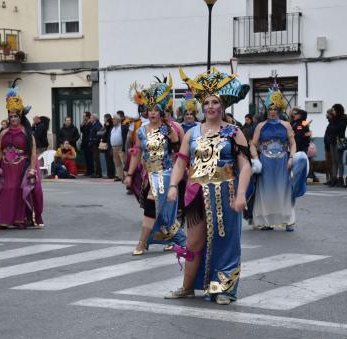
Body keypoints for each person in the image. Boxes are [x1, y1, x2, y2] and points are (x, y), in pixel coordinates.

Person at [164, 67, 251, 304]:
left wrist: (242, 193)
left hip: (226, 192)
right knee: (193, 242)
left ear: (223, 107)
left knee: (225, 241)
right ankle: (188, 287)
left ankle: (224, 289)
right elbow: (181, 163)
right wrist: (173, 186)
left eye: (216, 102)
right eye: (207, 102)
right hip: (196, 193)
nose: (211, 106)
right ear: (202, 106)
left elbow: (245, 166)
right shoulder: (191, 133)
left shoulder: (234, 132)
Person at [124, 75, 186, 256]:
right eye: (149, 109)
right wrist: (129, 174)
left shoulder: (168, 129)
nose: (152, 113)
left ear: (161, 111)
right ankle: (170, 238)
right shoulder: (141, 130)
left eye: (156, 109)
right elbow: (137, 152)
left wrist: (171, 132)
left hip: (166, 174)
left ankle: (143, 242)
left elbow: (177, 150)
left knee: (156, 206)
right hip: (148, 175)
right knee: (158, 210)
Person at [0, 79, 44, 229]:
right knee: (4, 190)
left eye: (15, 116)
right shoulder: (3, 133)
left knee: (18, 190)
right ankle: (2, 220)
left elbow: (33, 153)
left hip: (21, 168)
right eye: (10, 117)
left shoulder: (28, 134)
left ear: (21, 117)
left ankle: (21, 219)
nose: (13, 119)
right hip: (6, 168)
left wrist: (31, 169)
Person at [250, 80, 308, 231]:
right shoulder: (260, 126)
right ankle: (267, 221)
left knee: (284, 190)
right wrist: (256, 160)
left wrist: (291, 158)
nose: (272, 111)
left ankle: (288, 220)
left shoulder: (287, 125)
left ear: (280, 109)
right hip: (265, 163)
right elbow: (252, 144)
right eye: (270, 108)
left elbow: (293, 143)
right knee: (266, 191)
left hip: (283, 162)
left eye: (275, 108)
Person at [324, 104, 347, 187]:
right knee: (334, 161)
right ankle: (334, 178)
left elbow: (336, 129)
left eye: (334, 110)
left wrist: (332, 126)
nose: (333, 112)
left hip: (339, 141)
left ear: (338, 110)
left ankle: (340, 178)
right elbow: (329, 129)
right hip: (332, 141)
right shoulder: (333, 119)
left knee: (339, 161)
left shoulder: (343, 119)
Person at [290, 107, 318, 182]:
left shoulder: (301, 123)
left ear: (300, 115)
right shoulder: (297, 122)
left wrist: (293, 139)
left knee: (300, 161)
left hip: (299, 146)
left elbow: (299, 136)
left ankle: (301, 177)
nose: (294, 115)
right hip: (298, 145)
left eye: (296, 114)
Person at [109, 114, 125, 181]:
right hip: (114, 147)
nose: (113, 120)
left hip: (120, 147)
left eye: (114, 119)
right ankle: (119, 176)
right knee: (117, 163)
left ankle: (124, 176)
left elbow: (124, 137)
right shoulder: (112, 128)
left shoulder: (122, 127)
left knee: (123, 162)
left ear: (118, 120)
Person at [80, 112, 93, 176]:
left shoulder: (90, 123)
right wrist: (82, 125)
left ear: (87, 117)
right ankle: (88, 171)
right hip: (84, 143)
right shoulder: (85, 123)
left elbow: (89, 133)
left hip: (88, 143)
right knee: (86, 158)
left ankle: (91, 171)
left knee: (90, 158)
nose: (83, 117)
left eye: (84, 116)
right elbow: (82, 131)